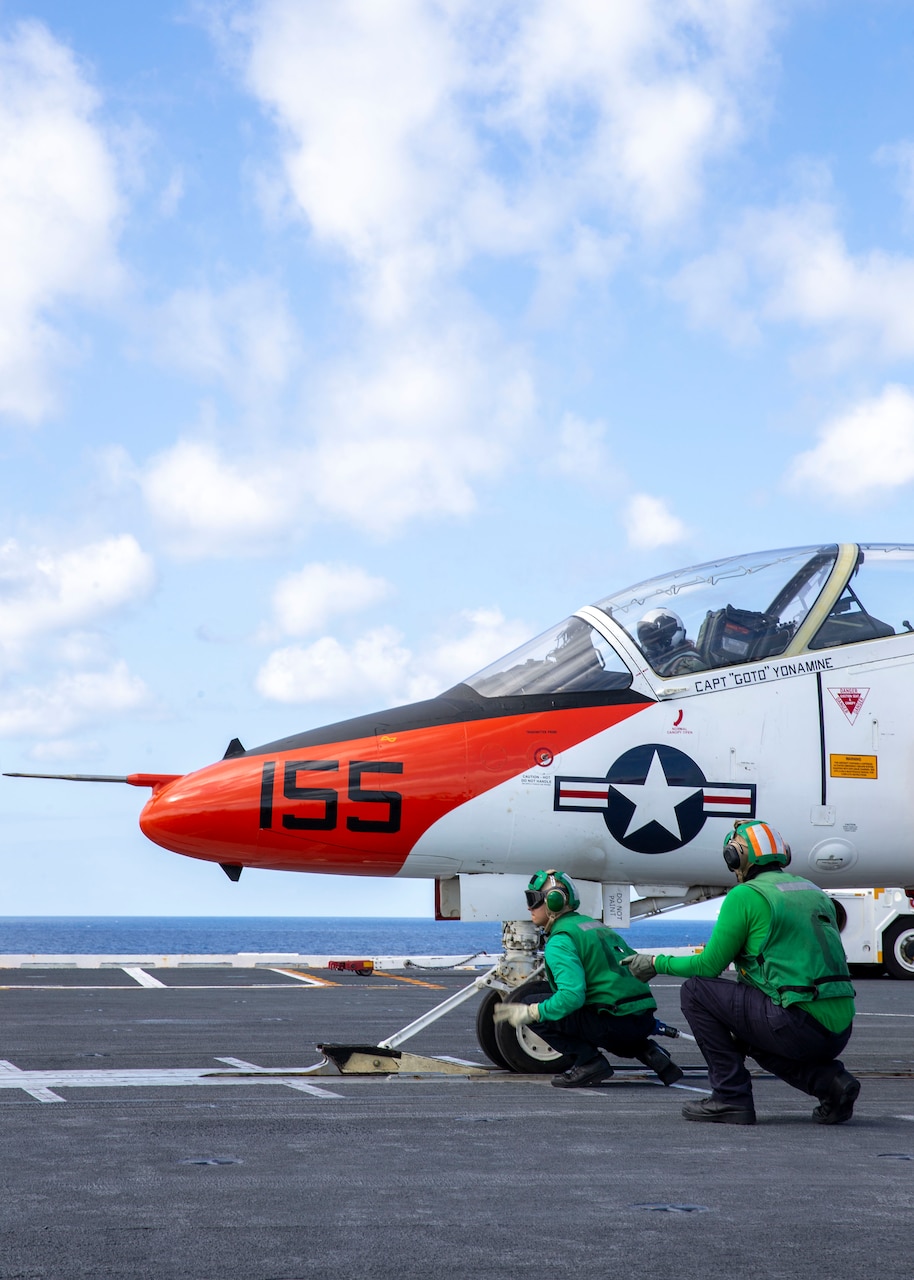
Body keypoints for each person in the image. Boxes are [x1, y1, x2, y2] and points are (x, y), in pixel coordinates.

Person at [623, 820, 859, 1126]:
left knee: (696, 991)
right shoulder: (813, 891)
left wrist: (654, 963)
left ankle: (730, 1098)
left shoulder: (746, 896)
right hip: (838, 1030)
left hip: (797, 1025)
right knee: (748, 1033)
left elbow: (708, 967)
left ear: (737, 857)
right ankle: (832, 1084)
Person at [493, 869, 684, 1088]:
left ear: (553, 902)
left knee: (531, 1005)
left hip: (614, 1022)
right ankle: (648, 1051)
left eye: (533, 900)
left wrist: (532, 1012)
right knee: (602, 1015)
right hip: (643, 1020)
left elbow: (572, 996)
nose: (529, 907)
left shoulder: (561, 941)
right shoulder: (596, 927)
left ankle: (589, 1062)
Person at [636, 608, 704, 677]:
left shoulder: (685, 667)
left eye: (652, 639)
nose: (648, 646)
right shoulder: (662, 669)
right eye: (645, 640)